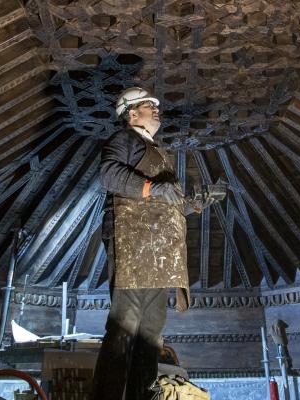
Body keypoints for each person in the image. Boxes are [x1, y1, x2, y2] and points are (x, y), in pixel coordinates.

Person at [91, 87, 225, 400]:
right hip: (132, 241)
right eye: (149, 105)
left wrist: (196, 203)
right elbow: (109, 175)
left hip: (157, 249)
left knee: (151, 332)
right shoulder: (124, 140)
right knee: (125, 325)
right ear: (131, 113)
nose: (156, 109)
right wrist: (152, 188)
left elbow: (168, 201)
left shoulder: (158, 151)